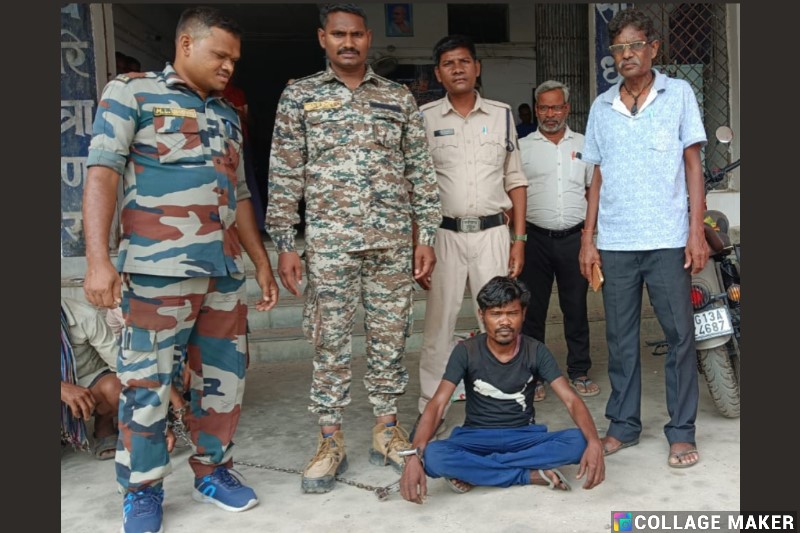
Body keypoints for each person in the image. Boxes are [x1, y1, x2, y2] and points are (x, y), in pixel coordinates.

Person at [83, 6, 279, 532]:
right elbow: (102, 174)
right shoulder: (133, 93)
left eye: (234, 59)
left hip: (223, 273)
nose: (229, 67)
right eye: (220, 55)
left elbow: (241, 196)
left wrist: (260, 262)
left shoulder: (228, 114)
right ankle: (142, 490)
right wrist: (98, 260)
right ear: (186, 45)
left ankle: (213, 470)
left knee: (223, 381)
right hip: (156, 272)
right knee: (145, 385)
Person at [265, 3, 441, 494]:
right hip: (330, 245)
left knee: (390, 339)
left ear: (368, 39)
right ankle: (330, 440)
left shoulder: (397, 97)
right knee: (329, 342)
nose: (348, 43)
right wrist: (286, 243)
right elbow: (284, 174)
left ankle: (386, 432)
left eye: (357, 35)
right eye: (339, 34)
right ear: (322, 38)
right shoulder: (300, 96)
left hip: (390, 243)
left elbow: (419, 170)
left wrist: (425, 236)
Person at [578, 8, 708, 469]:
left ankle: (681, 431)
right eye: (619, 48)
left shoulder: (679, 94)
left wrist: (696, 229)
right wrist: (588, 238)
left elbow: (692, 164)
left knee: (679, 336)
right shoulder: (602, 107)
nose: (627, 55)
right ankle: (623, 424)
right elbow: (597, 176)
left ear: (653, 48)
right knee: (620, 337)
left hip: (668, 238)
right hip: (616, 242)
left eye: (636, 45)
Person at [399, 276, 605, 502]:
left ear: (523, 314)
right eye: (496, 314)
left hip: (524, 437)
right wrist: (414, 455)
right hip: (475, 438)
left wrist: (594, 442)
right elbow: (438, 404)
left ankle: (477, 472)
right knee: (433, 456)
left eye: (512, 313)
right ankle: (527, 475)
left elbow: (571, 400)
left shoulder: (536, 351)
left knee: (579, 441)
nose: (504, 321)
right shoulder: (466, 351)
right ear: (482, 315)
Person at [414, 34, 528, 437]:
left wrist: (519, 240)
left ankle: (503, 405)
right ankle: (431, 410)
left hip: (492, 234)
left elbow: (516, 180)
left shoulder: (501, 115)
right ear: (438, 73)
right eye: (449, 63)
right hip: (443, 236)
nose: (458, 69)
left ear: (477, 67)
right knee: (438, 327)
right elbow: (417, 187)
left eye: (464, 61)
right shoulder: (425, 118)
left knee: (500, 320)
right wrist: (419, 243)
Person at [517, 80, 598, 403]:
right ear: (537, 110)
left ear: (567, 109)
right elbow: (512, 193)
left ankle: (579, 371)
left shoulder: (584, 144)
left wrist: (590, 237)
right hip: (534, 238)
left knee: (575, 307)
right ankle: (534, 375)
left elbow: (593, 191)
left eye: (556, 107)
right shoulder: (522, 147)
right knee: (533, 310)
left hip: (574, 239)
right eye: (544, 107)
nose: (550, 114)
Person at [60, 297, 122, 461]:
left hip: (86, 386)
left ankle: (104, 424)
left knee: (115, 389)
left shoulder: (85, 315)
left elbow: (122, 367)